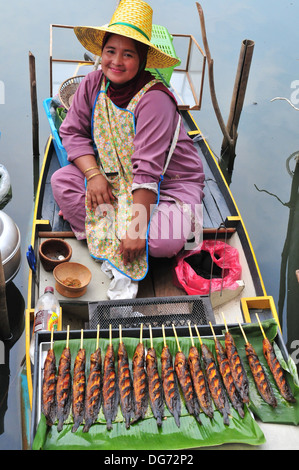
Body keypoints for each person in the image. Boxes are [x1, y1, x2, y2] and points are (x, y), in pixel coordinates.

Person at [51, 0, 205, 281]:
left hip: (168, 185)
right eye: (110, 51)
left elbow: (148, 171)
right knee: (61, 181)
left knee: (163, 242)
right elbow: (72, 132)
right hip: (113, 175)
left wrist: (135, 229)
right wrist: (93, 174)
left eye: (128, 54)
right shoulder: (92, 83)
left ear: (142, 59)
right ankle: (116, 233)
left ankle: (111, 232)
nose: (116, 61)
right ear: (101, 52)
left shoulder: (155, 99)